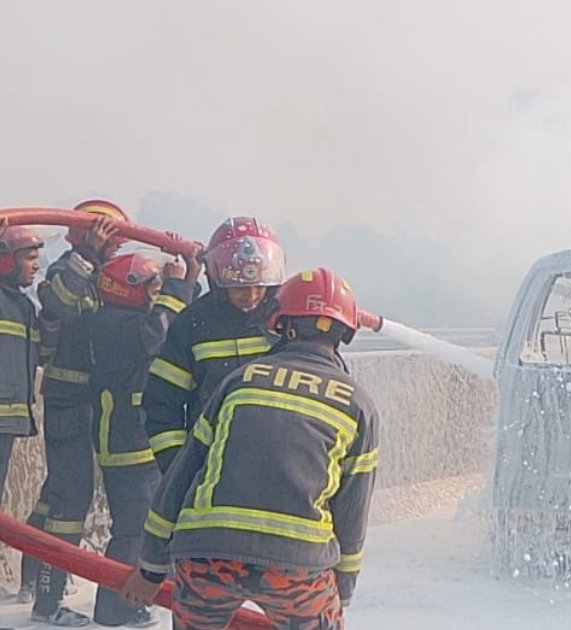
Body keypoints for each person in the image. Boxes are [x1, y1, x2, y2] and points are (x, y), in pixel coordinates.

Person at [122, 268, 379, 630]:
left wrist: (150, 569)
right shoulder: (357, 405)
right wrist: (342, 592)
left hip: (207, 557)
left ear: (281, 324)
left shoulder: (238, 381)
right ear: (345, 332)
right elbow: (352, 514)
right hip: (297, 566)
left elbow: (181, 478)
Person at [18, 201, 126, 626]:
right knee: (70, 503)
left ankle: (34, 577)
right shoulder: (67, 271)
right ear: (90, 237)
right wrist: (87, 256)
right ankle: (47, 603)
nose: (116, 248)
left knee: (55, 496)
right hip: (69, 403)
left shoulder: (100, 275)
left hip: (85, 403)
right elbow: (60, 305)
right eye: (110, 239)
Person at [90, 250, 199, 627]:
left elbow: (175, 320)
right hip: (124, 447)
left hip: (141, 443)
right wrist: (174, 287)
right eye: (151, 285)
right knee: (132, 533)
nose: (156, 293)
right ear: (126, 288)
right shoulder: (110, 322)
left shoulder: (128, 318)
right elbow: (158, 331)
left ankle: (151, 596)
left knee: (155, 528)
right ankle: (114, 609)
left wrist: (187, 281)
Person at [143, 217, 286, 473]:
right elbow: (161, 403)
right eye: (239, 288)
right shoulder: (193, 324)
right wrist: (178, 469)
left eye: (257, 286)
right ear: (217, 279)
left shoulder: (287, 320)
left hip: (279, 464)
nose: (251, 295)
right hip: (211, 467)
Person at [0, 218, 46, 495]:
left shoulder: (24, 306)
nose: (37, 265)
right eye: (29, 258)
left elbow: (41, 353)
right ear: (6, 260)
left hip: (6, 421)